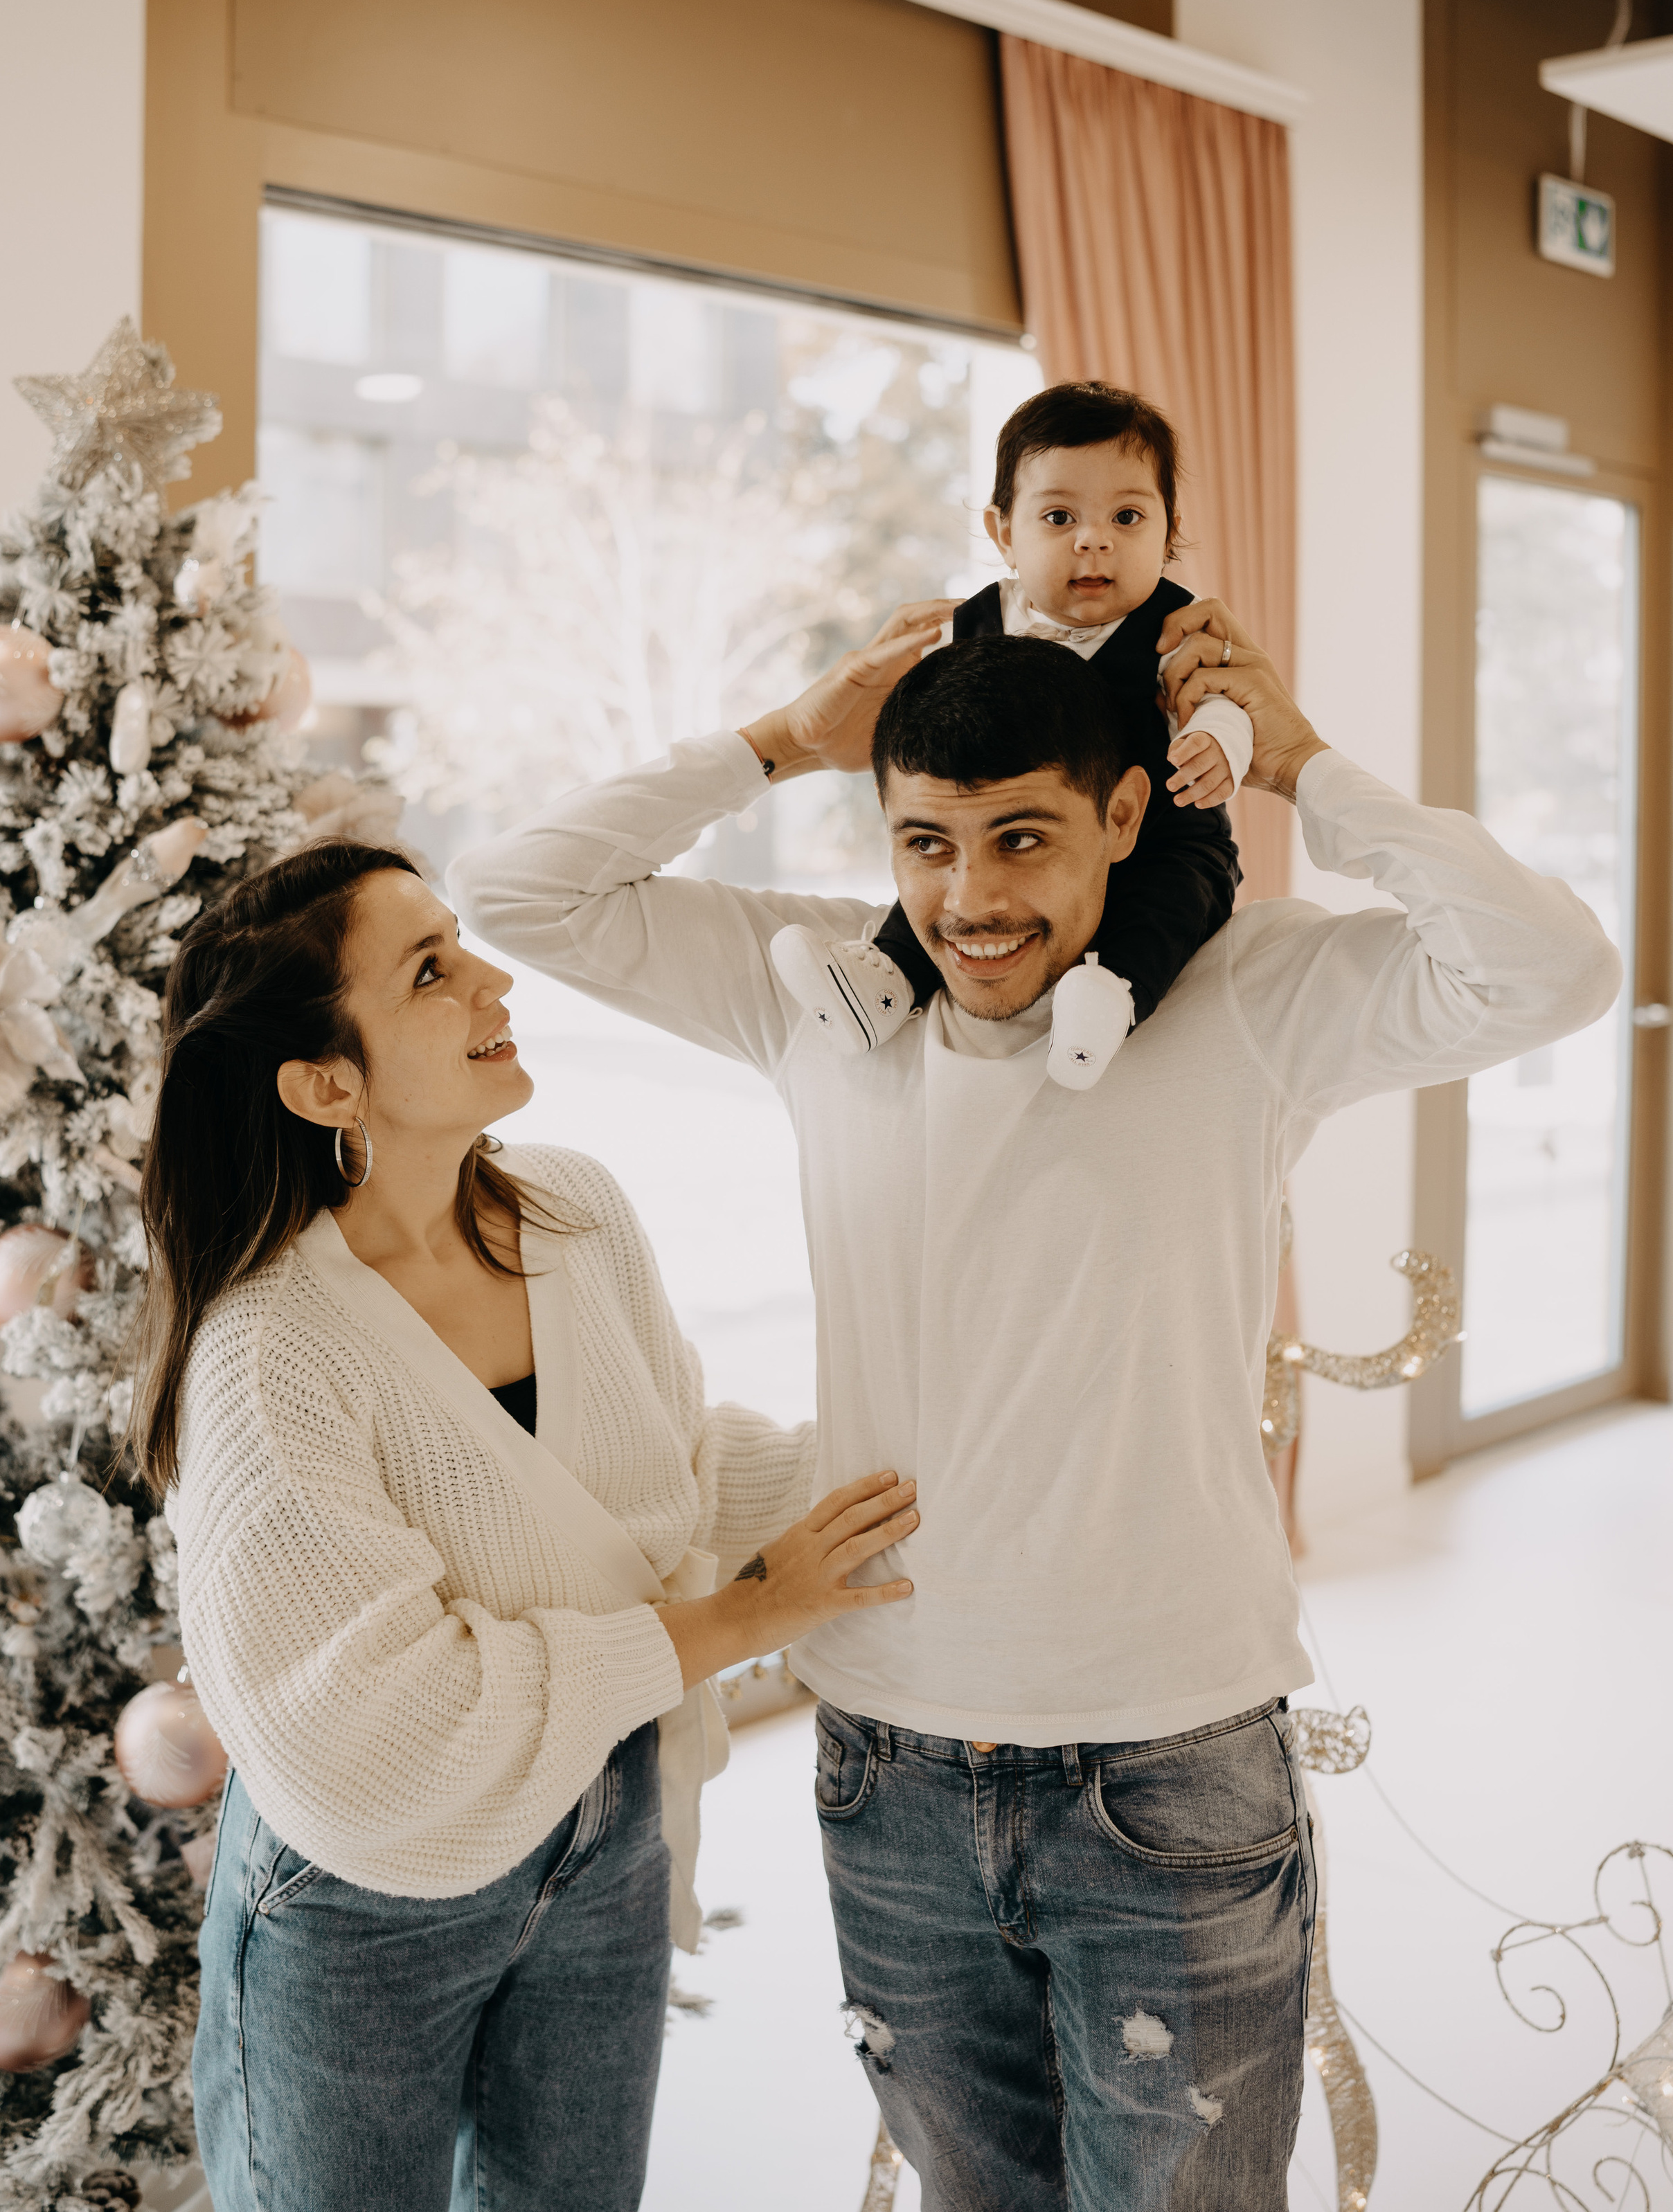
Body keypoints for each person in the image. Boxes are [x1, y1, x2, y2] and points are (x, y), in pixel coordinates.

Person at [451, 600, 1620, 2211]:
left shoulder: (1246, 991)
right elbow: (514, 891)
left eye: (1020, 839)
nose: (969, 896)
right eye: (925, 841)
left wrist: (1301, 766)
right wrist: (777, 739)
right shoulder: (820, 993)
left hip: (1169, 1766)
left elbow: (1555, 968)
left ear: (1123, 816)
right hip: (889, 1764)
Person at [125, 838, 920, 2212]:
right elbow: (380, 1724)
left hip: (603, 1832)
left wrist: (906, 1478)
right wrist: (741, 1618)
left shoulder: (571, 1211)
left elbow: (668, 1473)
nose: (492, 980)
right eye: (429, 971)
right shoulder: (268, 1353)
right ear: (326, 1084)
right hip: (363, 1902)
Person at [770, 381, 1251, 1088]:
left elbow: (1223, 701)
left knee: (1172, 903)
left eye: (1126, 517)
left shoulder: (1179, 627)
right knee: (950, 881)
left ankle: (1112, 1002)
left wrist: (1218, 741)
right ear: (1004, 535)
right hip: (1006, 840)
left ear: (1167, 531)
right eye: (1059, 517)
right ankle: (882, 985)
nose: (1093, 539)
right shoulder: (976, 620)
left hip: (1162, 833)